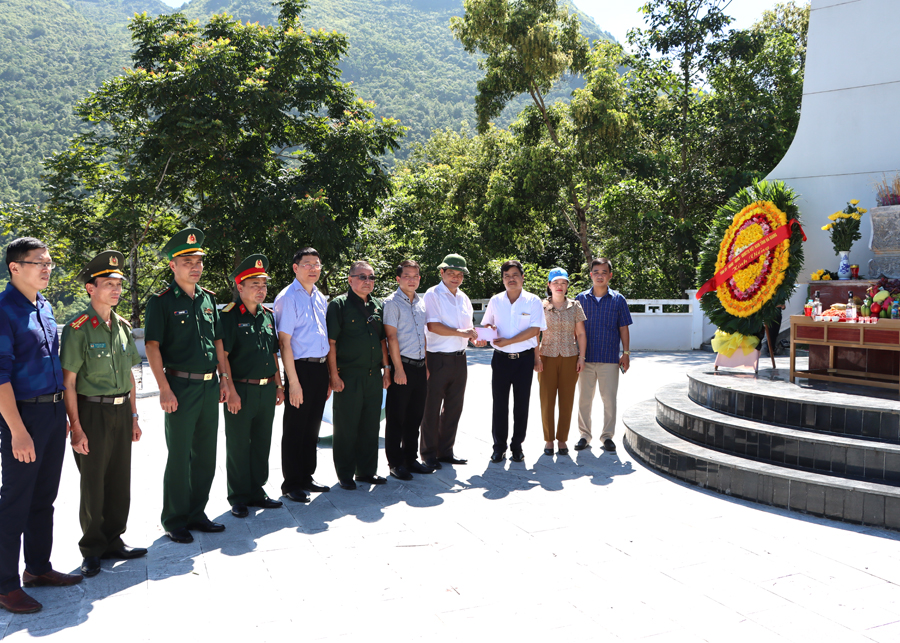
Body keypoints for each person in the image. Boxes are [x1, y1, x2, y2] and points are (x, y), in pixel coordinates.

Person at [0, 238, 81, 615]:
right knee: (14, 502)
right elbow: (0, 378)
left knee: (43, 498)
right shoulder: (5, 310)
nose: (47, 268)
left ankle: (37, 568)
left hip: (51, 413)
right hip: (22, 417)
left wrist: (64, 415)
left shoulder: (44, 306)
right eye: (39, 263)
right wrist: (17, 430)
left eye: (49, 263)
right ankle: (5, 585)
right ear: (15, 267)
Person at [60, 251, 146, 579]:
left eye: (118, 284)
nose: (115, 289)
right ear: (89, 289)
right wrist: (76, 428)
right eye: (107, 284)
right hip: (91, 411)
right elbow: (68, 382)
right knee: (93, 483)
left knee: (119, 478)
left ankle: (114, 539)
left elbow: (128, 376)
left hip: (122, 411)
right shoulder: (79, 328)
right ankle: (92, 548)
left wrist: (135, 416)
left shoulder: (122, 327)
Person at [144, 228, 231, 544]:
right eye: (187, 261)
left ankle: (197, 512)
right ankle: (175, 518)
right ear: (172, 266)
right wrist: (164, 389)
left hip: (209, 387)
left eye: (199, 261)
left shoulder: (208, 299)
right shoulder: (162, 302)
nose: (195, 266)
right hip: (179, 386)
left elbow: (218, 342)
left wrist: (225, 379)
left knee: (206, 454)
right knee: (179, 455)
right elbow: (152, 346)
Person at [221, 254, 285, 518]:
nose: (261, 289)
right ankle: (238, 496)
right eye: (254, 284)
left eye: (264, 284)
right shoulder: (229, 316)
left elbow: (273, 353)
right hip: (241, 390)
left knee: (261, 441)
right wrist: (230, 390)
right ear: (240, 287)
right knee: (238, 444)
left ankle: (256, 490)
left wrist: (279, 384)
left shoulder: (268, 316)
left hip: (266, 388)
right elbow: (222, 356)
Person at [326, 261, 391, 490]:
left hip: (373, 375)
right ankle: (345, 473)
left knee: (370, 425)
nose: (367, 281)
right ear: (350, 279)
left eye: (371, 277)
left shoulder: (377, 305)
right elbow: (331, 343)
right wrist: (333, 375)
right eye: (362, 277)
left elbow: (382, 341)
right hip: (349, 376)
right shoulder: (339, 305)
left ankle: (366, 471)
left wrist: (387, 369)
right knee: (346, 426)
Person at [274, 247, 331, 501]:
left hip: (320, 368)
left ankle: (307, 476)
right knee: (296, 427)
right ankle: (292, 483)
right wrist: (293, 383)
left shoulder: (319, 297)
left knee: (312, 427)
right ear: (295, 268)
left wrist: (329, 375)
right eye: (307, 264)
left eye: (317, 264)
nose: (313, 268)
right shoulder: (288, 297)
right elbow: (284, 343)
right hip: (300, 369)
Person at [420, 253, 485, 469]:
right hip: (437, 358)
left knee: (454, 407)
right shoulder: (433, 294)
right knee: (431, 407)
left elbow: (466, 330)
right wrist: (463, 332)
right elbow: (433, 326)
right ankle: (428, 454)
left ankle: (445, 451)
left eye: (460, 274)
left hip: (460, 359)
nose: (455, 277)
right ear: (442, 273)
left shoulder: (464, 298)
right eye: (451, 273)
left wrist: (474, 337)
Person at [482, 260, 546, 463]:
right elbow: (487, 324)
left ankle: (517, 446)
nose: (511, 279)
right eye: (506, 276)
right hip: (500, 360)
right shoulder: (496, 300)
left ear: (522, 277)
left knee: (521, 404)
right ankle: (498, 447)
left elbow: (535, 330)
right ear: (502, 279)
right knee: (499, 404)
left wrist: (510, 341)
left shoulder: (533, 301)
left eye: (515, 275)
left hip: (524, 360)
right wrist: (486, 332)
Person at [575, 258, 633, 453]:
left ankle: (607, 436)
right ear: (590, 275)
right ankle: (584, 435)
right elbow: (574, 329)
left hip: (609, 358)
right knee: (584, 399)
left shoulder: (618, 300)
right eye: (596, 272)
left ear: (610, 275)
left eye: (604, 272)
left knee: (609, 399)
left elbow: (623, 328)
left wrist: (625, 353)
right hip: (585, 359)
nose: (600, 275)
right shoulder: (580, 299)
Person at [383, 260, 434, 480]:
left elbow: (422, 335)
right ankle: (395, 463)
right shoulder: (392, 303)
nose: (411, 280)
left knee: (415, 416)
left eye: (415, 276)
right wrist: (398, 369)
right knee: (397, 417)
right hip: (402, 366)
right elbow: (390, 337)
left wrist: (427, 365)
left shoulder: (421, 303)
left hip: (420, 366)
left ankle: (410, 459)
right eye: (407, 276)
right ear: (398, 278)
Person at [533, 268, 586, 456]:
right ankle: (548, 440)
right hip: (546, 356)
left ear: (567, 286)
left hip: (570, 356)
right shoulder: (540, 306)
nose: (559, 286)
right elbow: (535, 334)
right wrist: (536, 357)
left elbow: (580, 333)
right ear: (549, 285)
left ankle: (562, 439)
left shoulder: (575, 306)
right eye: (555, 282)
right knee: (547, 400)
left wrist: (581, 357)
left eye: (563, 283)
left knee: (567, 399)